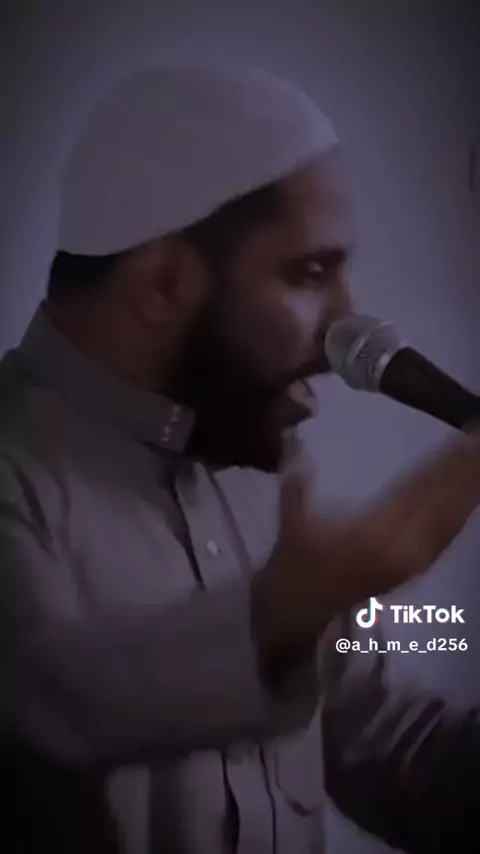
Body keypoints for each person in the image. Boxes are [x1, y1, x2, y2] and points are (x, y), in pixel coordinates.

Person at [0, 63, 479, 854]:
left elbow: (386, 743)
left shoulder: (258, 459)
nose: (349, 325)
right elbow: (48, 711)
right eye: (311, 273)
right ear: (164, 284)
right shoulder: (17, 481)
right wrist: (274, 621)